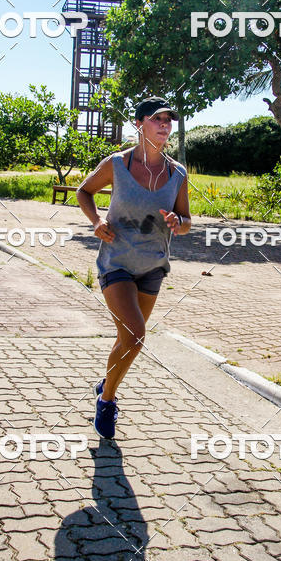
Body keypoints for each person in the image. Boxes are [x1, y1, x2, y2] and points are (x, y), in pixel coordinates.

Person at [76, 96, 191, 439]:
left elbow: (187, 221)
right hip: (117, 263)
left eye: (169, 120)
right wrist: (96, 220)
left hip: (153, 267)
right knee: (137, 336)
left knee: (126, 339)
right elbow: (84, 192)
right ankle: (107, 400)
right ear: (139, 124)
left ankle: (106, 381)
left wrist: (177, 222)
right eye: (157, 119)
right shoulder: (117, 163)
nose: (165, 125)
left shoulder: (177, 173)